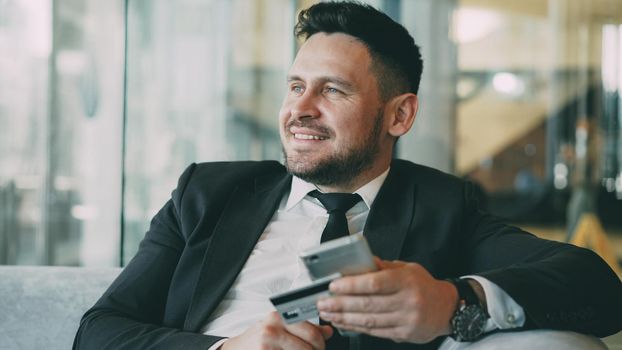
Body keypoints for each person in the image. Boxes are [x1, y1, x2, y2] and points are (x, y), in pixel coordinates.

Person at [74, 2, 622, 350]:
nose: (301, 109)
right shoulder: (207, 193)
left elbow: (597, 289)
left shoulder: (441, 206)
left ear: (399, 116)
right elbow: (99, 331)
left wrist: (455, 304)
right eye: (295, 86)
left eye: (332, 89)